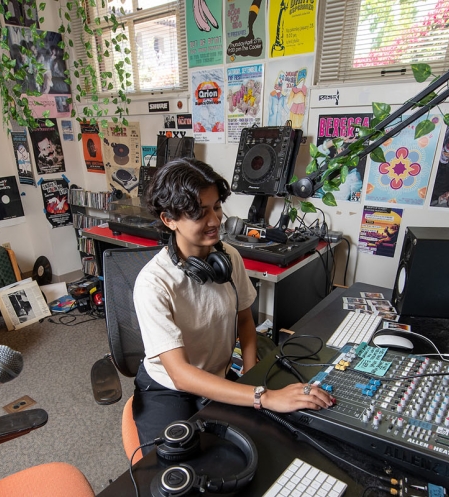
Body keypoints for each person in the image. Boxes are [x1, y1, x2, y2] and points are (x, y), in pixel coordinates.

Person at [132, 158, 334, 453]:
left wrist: (252, 376)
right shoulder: (153, 283)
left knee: (262, 444)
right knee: (173, 466)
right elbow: (180, 373)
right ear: (169, 219)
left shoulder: (228, 257)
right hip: (168, 389)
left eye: (216, 207)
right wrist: (261, 396)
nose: (215, 221)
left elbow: (245, 323)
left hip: (218, 374)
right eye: (199, 213)